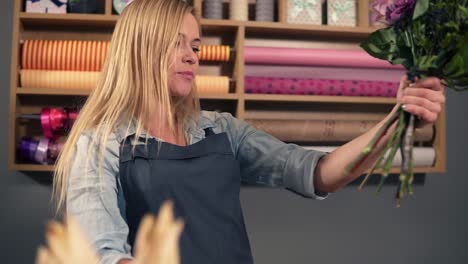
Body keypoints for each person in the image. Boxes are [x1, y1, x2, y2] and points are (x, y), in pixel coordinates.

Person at [52, 0, 446, 264]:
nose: (192, 55)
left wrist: (397, 118)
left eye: (196, 46)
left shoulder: (221, 130)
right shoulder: (100, 143)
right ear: (138, 49)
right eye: (175, 45)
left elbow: (315, 171)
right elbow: (101, 253)